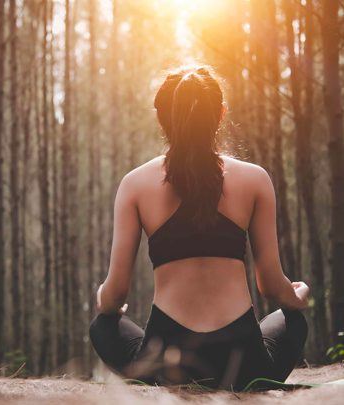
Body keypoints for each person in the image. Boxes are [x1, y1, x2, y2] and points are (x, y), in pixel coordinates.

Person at [88, 64, 309, 392]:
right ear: (220, 115)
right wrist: (296, 297)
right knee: (293, 321)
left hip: (167, 361)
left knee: (103, 326)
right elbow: (270, 286)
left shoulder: (134, 184)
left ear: (163, 117)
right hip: (244, 362)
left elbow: (115, 293)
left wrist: (104, 299)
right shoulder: (255, 179)